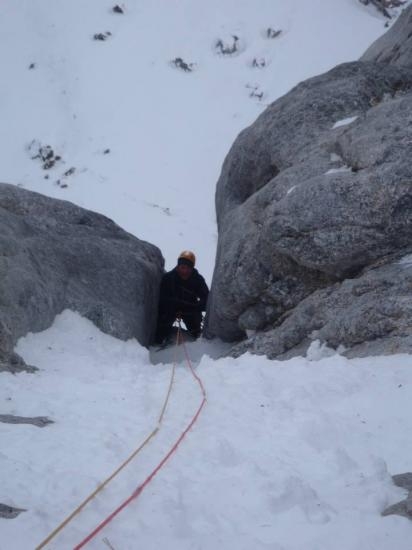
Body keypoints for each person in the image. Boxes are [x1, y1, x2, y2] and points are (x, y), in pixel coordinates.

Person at [155, 251, 209, 344]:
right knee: (163, 321)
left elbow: (206, 300)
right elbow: (162, 299)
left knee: (195, 329)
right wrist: (175, 306)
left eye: (188, 268)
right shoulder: (168, 278)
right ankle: (158, 340)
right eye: (183, 267)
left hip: (190, 309)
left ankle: (197, 340)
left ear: (192, 268)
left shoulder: (198, 280)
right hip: (171, 308)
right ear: (178, 266)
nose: (185, 271)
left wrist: (191, 308)